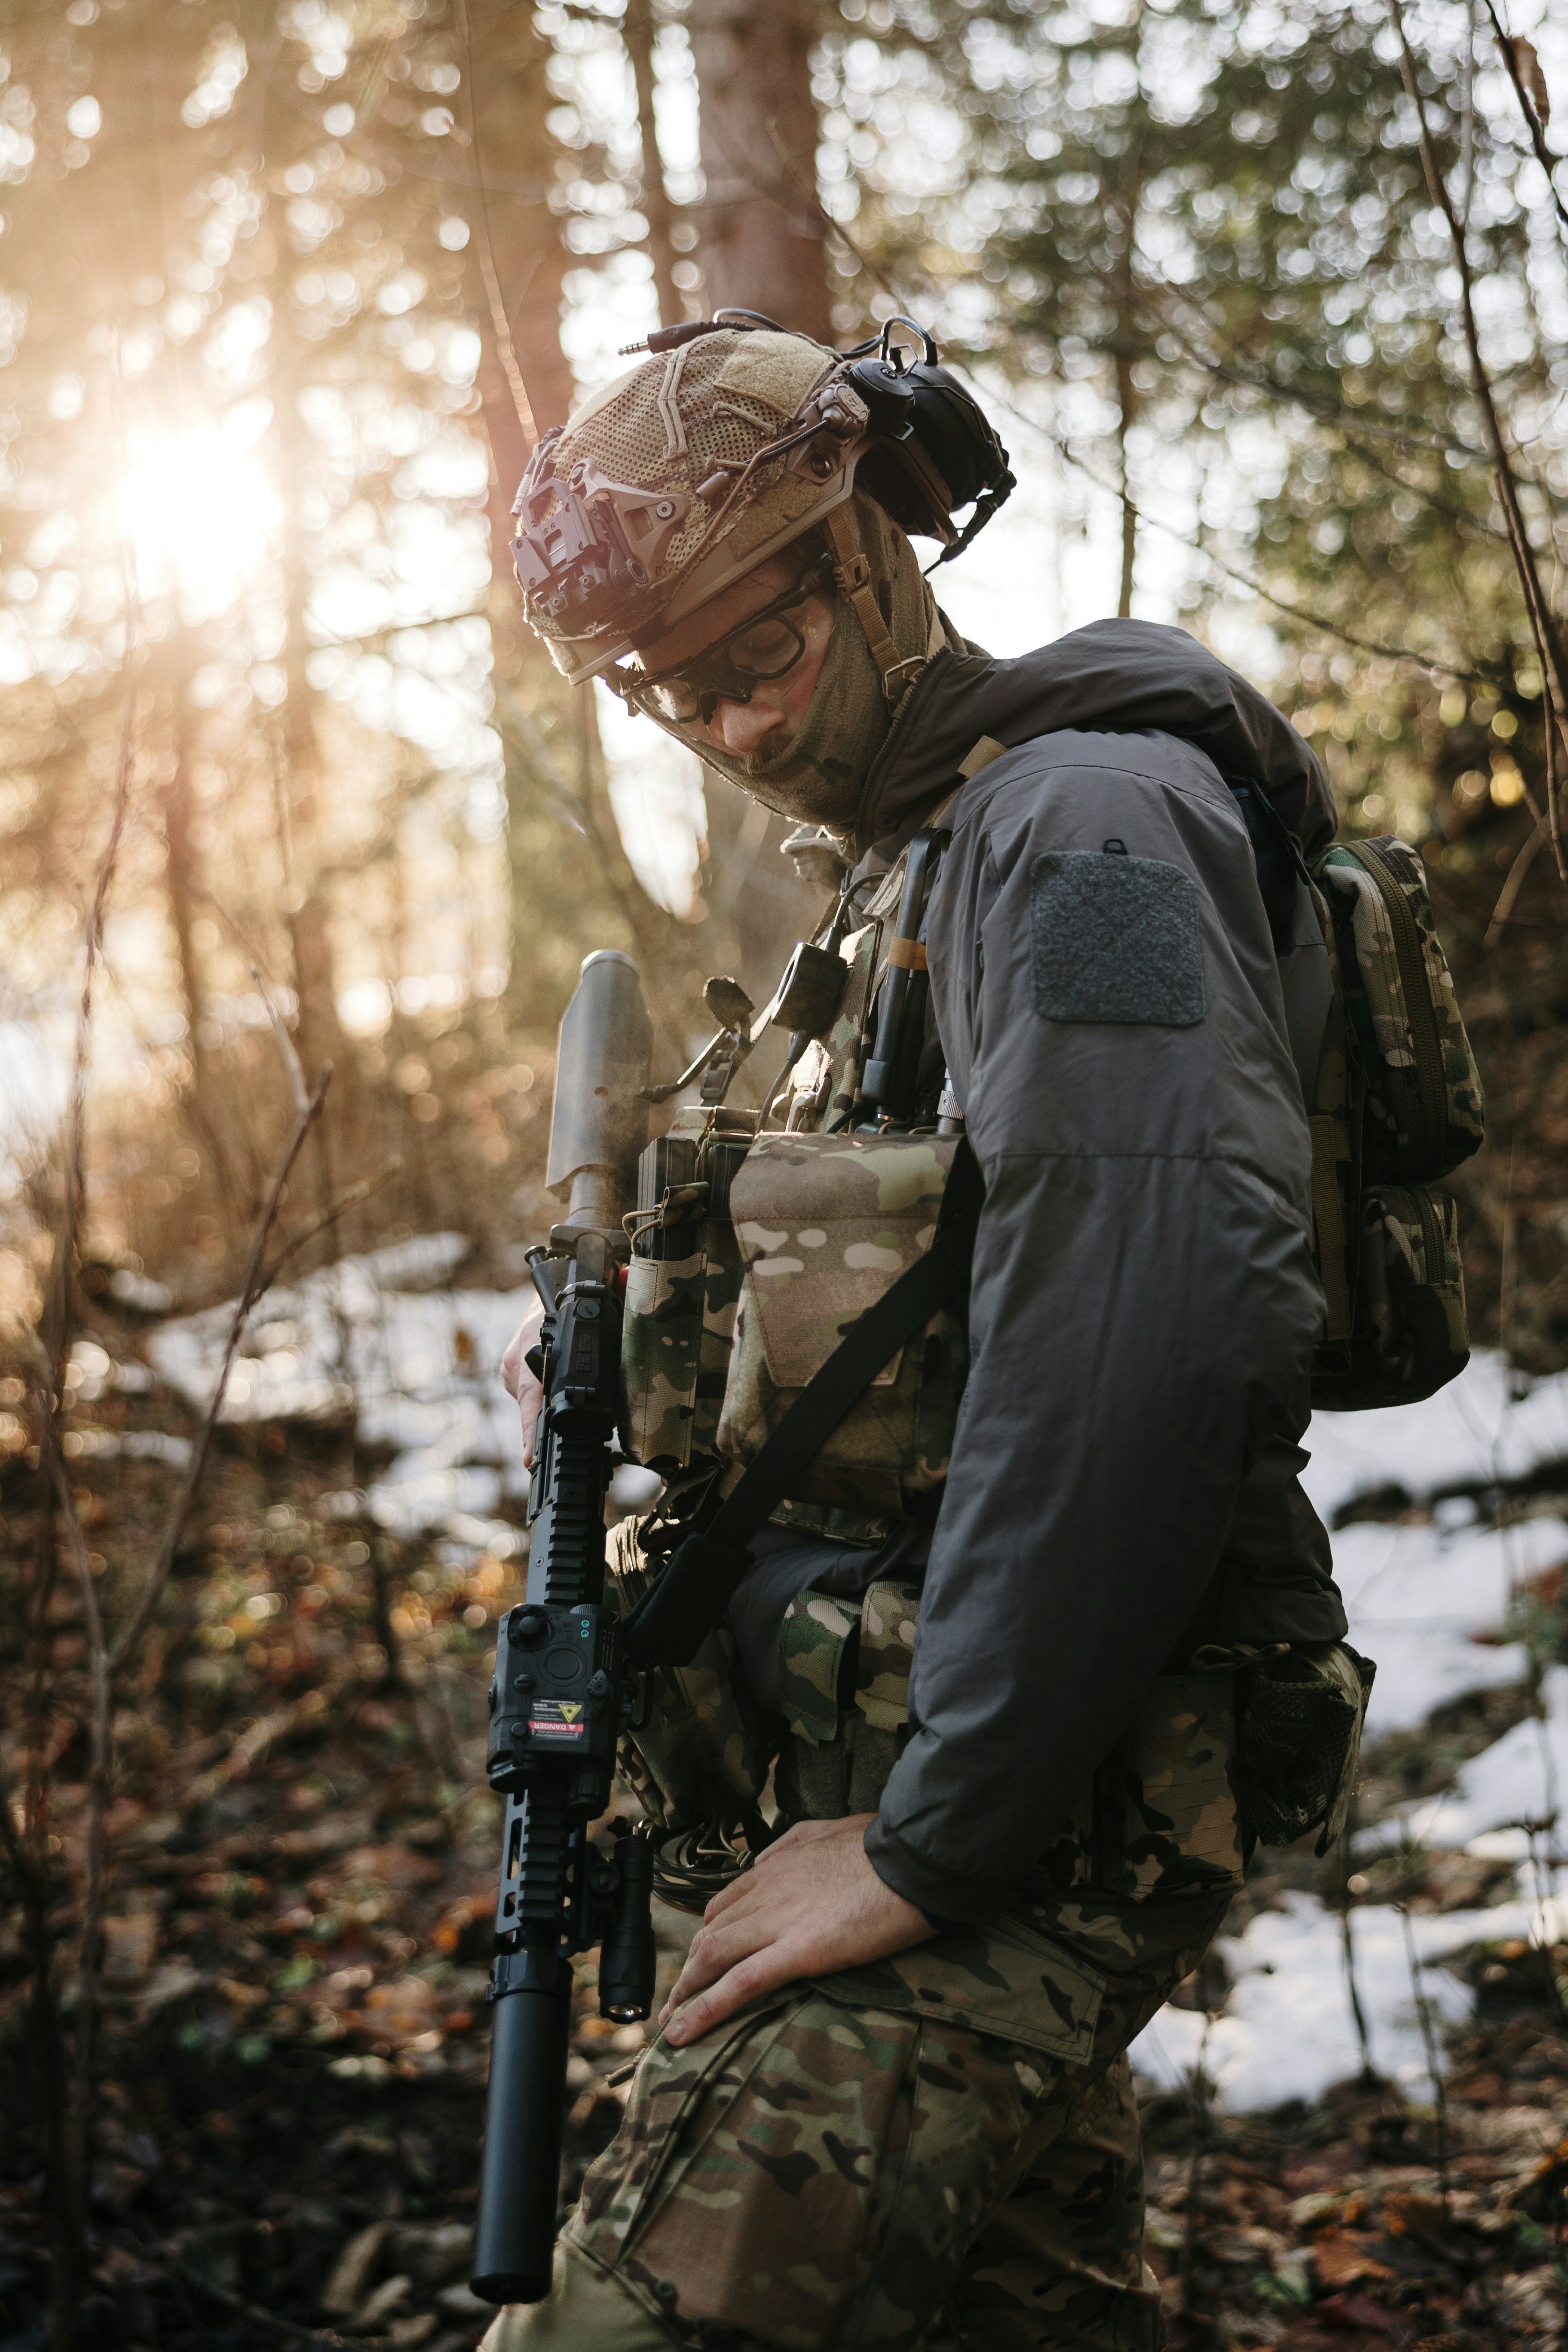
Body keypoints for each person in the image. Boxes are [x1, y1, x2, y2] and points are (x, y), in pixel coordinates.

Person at [486, 319, 1353, 2350]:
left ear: (874, 553)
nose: (725, 723)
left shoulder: (1086, 829)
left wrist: (940, 1836)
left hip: (1022, 1789)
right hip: (920, 1747)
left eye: (751, 658)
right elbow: (947, 1302)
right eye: (665, 693)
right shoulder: (921, 853)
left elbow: (1159, 1310)